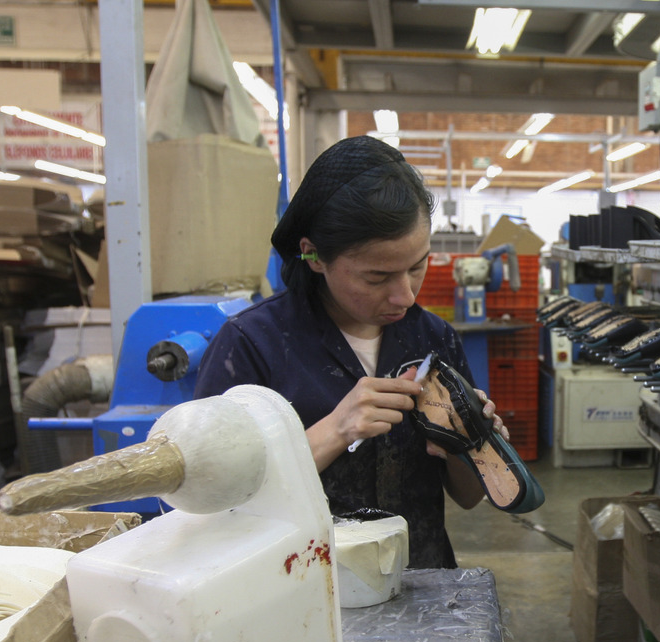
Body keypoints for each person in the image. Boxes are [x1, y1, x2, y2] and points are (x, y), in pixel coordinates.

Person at [194, 136, 505, 569]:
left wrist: (468, 443)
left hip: (420, 586)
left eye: (417, 266)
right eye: (377, 277)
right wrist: (334, 431)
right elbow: (210, 503)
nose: (406, 296)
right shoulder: (252, 345)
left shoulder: (434, 339)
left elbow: (469, 497)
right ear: (314, 255)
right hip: (303, 590)